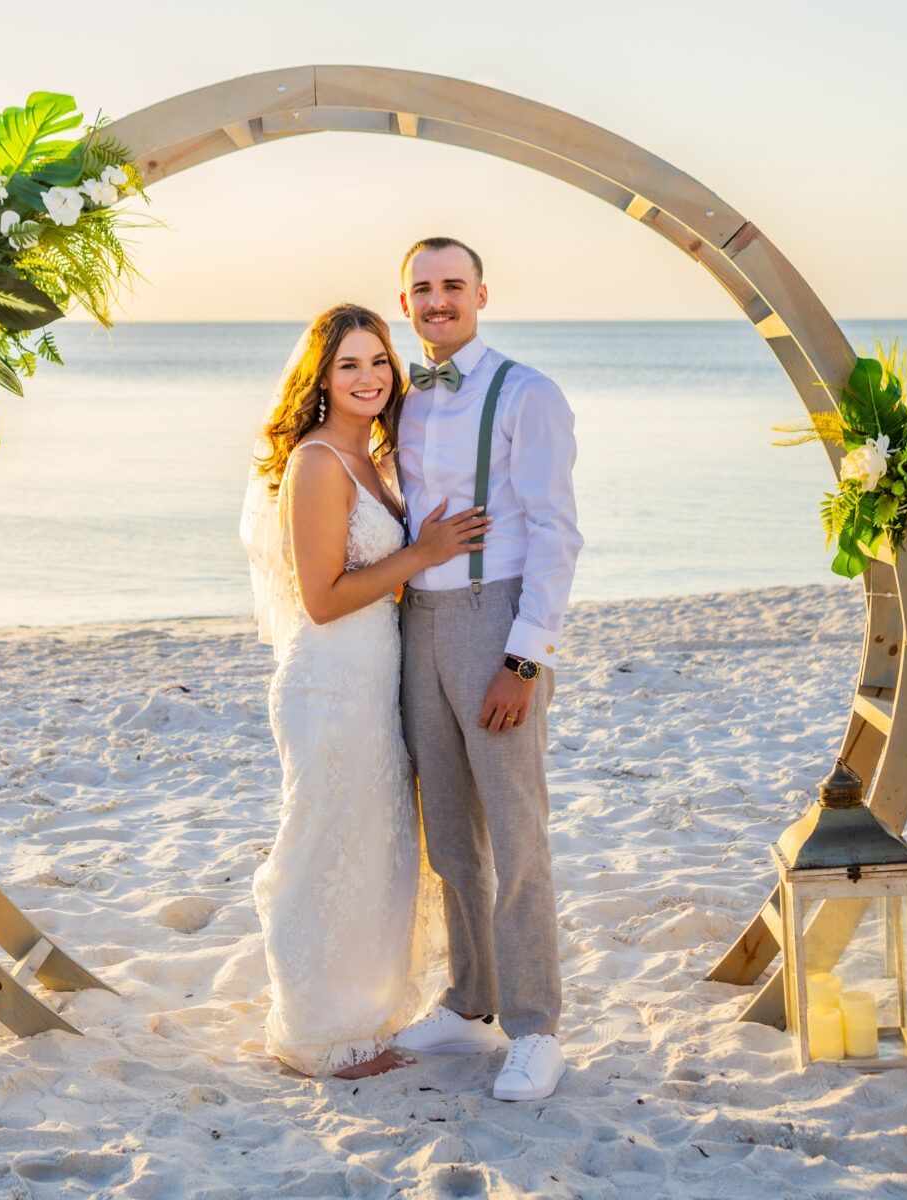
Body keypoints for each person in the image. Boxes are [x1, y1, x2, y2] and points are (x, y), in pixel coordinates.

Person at [241, 302, 490, 1079]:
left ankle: (361, 1016)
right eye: (349, 364)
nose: (369, 377)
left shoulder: (373, 461)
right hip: (329, 685)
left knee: (375, 849)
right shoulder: (318, 462)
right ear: (321, 377)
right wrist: (424, 552)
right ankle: (316, 1036)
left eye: (378, 360)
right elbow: (322, 597)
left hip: (372, 683)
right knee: (325, 852)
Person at [389, 238, 583, 1102]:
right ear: (407, 302)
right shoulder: (401, 395)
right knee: (450, 835)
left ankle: (537, 1027)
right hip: (414, 623)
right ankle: (470, 1006)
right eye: (423, 288)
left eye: (452, 286)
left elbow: (555, 530)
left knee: (517, 831)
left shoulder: (527, 392)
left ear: (482, 294)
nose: (438, 301)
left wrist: (523, 659)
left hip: (492, 618)